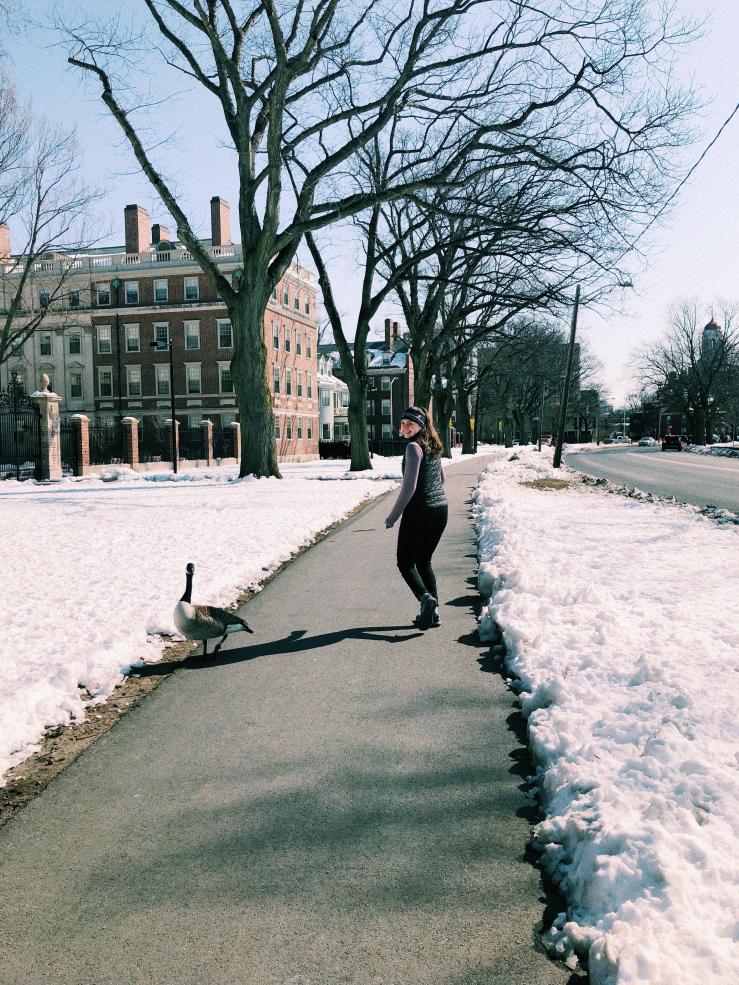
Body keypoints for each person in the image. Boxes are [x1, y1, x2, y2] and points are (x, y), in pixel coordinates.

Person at [385, 406, 448, 630]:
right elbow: (442, 479)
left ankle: (426, 599)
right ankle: (435, 613)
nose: (404, 427)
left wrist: (393, 516)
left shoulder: (413, 447)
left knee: (405, 562)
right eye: (402, 423)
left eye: (409, 424)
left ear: (420, 425)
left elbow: (408, 488)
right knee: (424, 560)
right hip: (441, 510)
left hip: (420, 511)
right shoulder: (433, 445)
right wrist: (432, 497)